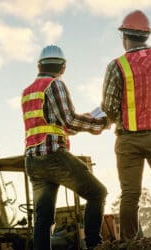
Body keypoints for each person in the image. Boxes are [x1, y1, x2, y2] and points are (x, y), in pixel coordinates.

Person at [101, 9, 151, 241]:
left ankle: (129, 241)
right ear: (146, 36)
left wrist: (122, 118)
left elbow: (108, 105)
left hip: (128, 138)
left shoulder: (116, 66)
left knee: (130, 193)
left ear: (124, 37)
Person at [21, 44, 110, 250]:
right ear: (63, 67)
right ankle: (95, 245)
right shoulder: (55, 85)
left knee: (43, 218)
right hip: (53, 157)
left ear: (38, 65)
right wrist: (100, 123)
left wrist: (84, 120)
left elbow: (53, 125)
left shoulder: (27, 92)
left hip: (33, 161)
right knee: (98, 193)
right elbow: (69, 120)